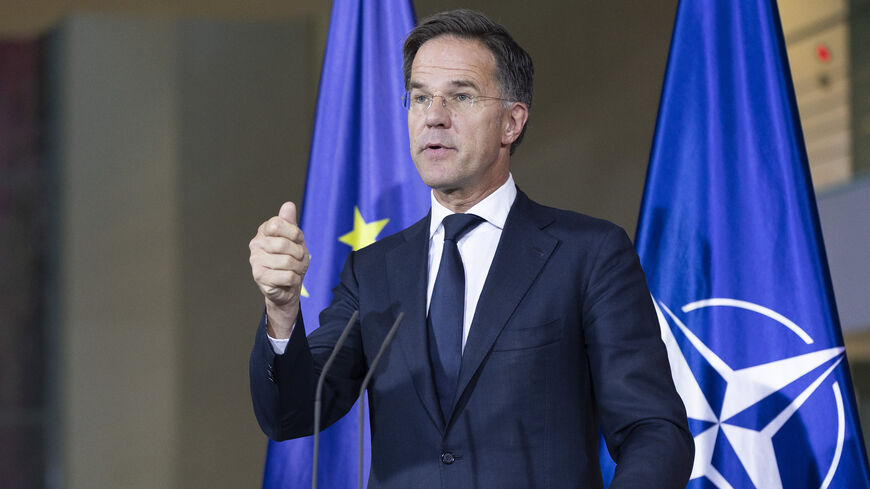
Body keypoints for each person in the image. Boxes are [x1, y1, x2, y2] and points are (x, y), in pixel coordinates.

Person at [248, 9, 693, 489]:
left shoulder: (588, 255)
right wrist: (282, 310)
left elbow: (653, 430)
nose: (434, 117)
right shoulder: (374, 270)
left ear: (511, 122)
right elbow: (291, 413)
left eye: (461, 96)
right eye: (420, 98)